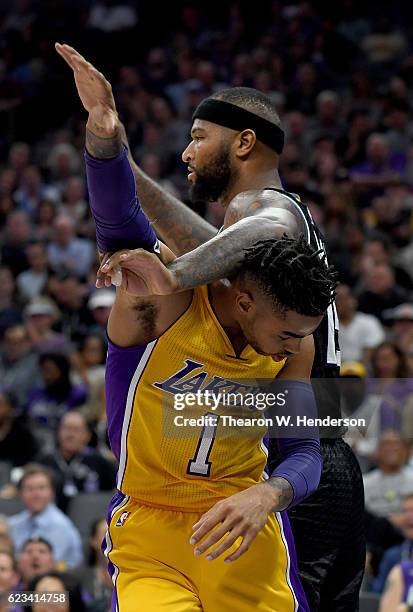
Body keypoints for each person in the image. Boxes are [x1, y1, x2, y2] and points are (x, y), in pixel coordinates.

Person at [56, 43, 364, 610]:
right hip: (159, 518)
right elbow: (132, 225)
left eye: (199, 136)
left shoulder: (273, 214)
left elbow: (243, 240)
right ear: (243, 298)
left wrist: (171, 275)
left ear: (244, 141)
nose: (188, 151)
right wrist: (107, 144)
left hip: (271, 485)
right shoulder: (200, 288)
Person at [37, 411, 117, 512]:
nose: (70, 434)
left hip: (90, 518)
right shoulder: (44, 462)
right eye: (66, 428)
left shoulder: (100, 462)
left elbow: (117, 490)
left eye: (76, 430)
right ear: (58, 432)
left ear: (87, 435)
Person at [8, 465, 83, 569]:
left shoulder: (61, 526)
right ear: (21, 494)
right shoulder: (14, 523)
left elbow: (44, 566)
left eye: (41, 488)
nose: (36, 494)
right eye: (30, 489)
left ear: (52, 493)